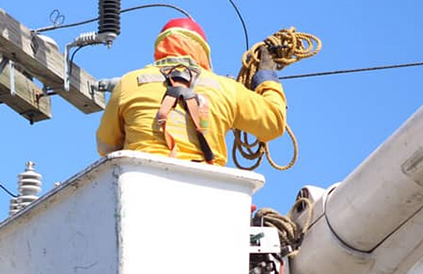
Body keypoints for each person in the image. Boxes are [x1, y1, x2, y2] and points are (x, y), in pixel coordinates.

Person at [96, 17, 286, 165]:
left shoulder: (129, 83)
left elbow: (106, 145)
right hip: (206, 190)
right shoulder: (227, 89)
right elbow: (274, 122)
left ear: (160, 47)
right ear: (203, 52)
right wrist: (266, 75)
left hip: (141, 182)